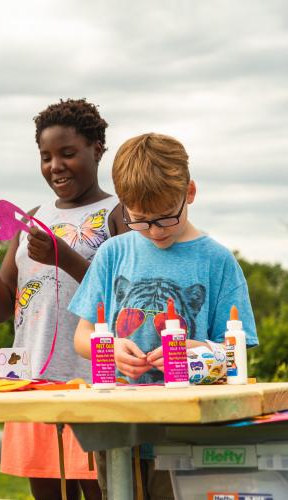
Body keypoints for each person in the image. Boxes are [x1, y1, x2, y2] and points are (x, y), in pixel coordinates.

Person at [71, 132, 258, 498]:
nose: (154, 231)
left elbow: (238, 349)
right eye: (139, 220)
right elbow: (82, 335)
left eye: (164, 219)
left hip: (186, 433)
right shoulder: (113, 254)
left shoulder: (217, 261)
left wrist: (201, 353)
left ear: (189, 193)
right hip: (119, 428)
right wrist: (105, 348)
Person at [0, 99, 125, 500]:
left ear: (97, 149)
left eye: (68, 153)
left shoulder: (118, 214)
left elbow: (126, 301)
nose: (55, 166)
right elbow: (1, 310)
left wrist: (65, 258)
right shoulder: (32, 218)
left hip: (94, 389)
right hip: (34, 385)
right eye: (46, 156)